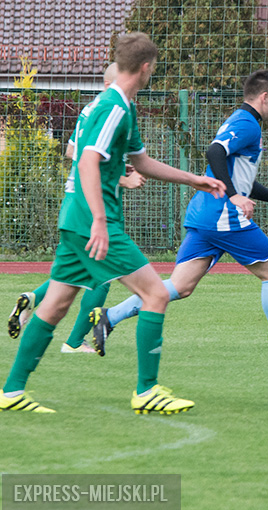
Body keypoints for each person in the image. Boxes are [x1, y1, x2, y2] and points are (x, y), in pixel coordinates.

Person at [0, 32, 225, 413]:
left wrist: (194, 179)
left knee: (54, 305)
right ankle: (146, 390)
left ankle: (11, 392)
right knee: (155, 294)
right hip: (92, 222)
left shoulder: (120, 107)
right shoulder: (114, 107)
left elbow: (141, 163)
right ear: (146, 67)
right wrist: (101, 221)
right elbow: (87, 160)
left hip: (75, 220)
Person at [90, 70, 268, 368]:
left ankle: (109, 317)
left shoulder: (244, 122)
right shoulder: (247, 123)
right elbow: (215, 152)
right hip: (222, 215)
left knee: (180, 286)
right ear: (264, 97)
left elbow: (239, 179)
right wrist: (234, 198)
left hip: (205, 215)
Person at [7, 63, 146, 354]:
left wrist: (116, 165)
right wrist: (122, 178)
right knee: (111, 280)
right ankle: (74, 342)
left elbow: (73, 151)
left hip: (74, 204)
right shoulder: (110, 109)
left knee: (70, 279)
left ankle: (33, 302)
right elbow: (85, 161)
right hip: (90, 206)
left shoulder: (89, 110)